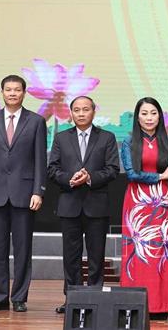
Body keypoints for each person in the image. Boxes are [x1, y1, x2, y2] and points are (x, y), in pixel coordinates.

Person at [0, 75, 47, 312]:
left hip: (25, 193)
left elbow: (40, 160)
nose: (13, 93)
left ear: (24, 93)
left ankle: (19, 298)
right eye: (8, 89)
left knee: (23, 249)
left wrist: (38, 191)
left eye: (17, 90)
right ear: (2, 92)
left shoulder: (36, 121)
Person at [48, 96, 119, 314]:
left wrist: (89, 178)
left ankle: (95, 299)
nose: (81, 113)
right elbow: (52, 169)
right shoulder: (61, 138)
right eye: (76, 110)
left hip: (96, 205)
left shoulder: (107, 137)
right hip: (69, 204)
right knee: (71, 257)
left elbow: (112, 169)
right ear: (71, 113)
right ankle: (73, 299)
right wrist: (70, 179)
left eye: (85, 109)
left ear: (93, 112)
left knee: (96, 256)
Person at [119, 97, 168, 320]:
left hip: (162, 202)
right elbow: (132, 174)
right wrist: (161, 176)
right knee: (139, 252)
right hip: (137, 203)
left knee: (161, 252)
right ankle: (135, 305)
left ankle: (160, 305)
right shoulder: (129, 142)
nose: (149, 118)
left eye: (153, 113)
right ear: (137, 117)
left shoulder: (166, 142)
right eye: (144, 113)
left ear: (159, 116)